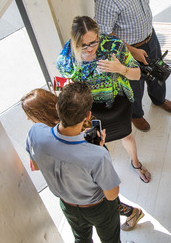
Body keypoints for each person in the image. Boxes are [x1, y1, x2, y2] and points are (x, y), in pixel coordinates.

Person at [25, 81, 137, 243]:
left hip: (67, 205)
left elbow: (35, 163)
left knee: (81, 237)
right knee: (110, 239)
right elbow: (112, 195)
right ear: (87, 116)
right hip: (98, 207)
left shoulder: (35, 133)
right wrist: (99, 147)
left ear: (58, 107)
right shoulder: (96, 155)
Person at [20, 87, 145, 231]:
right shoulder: (69, 121)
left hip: (87, 188)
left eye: (30, 114)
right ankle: (130, 212)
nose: (27, 118)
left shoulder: (45, 135)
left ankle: (131, 212)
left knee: (106, 199)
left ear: (42, 113)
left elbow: (37, 166)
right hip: (89, 173)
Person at [56, 16, 153, 185]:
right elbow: (62, 87)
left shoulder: (113, 46)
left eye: (93, 42)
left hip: (118, 103)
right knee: (96, 143)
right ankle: (105, 174)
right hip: (90, 110)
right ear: (74, 42)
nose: (89, 48)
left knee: (127, 135)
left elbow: (137, 75)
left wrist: (121, 69)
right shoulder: (66, 59)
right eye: (83, 45)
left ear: (99, 35)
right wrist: (69, 87)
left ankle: (136, 164)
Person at [95, 0, 171, 133]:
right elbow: (105, 35)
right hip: (128, 50)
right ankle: (136, 115)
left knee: (158, 73)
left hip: (150, 37)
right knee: (134, 86)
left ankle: (159, 100)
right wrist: (132, 51)